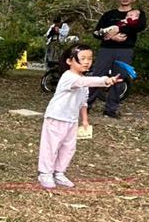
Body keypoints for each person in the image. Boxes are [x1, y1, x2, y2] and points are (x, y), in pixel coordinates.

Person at [38, 44, 121, 189]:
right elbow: (83, 82)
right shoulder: (68, 77)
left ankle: (59, 173)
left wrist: (85, 120)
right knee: (51, 146)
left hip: (71, 120)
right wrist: (105, 80)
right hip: (56, 117)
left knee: (69, 148)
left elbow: (83, 102)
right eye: (82, 58)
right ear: (70, 61)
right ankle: (45, 174)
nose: (87, 62)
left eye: (90, 58)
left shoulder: (83, 80)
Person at [88, 0, 146, 119]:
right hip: (106, 49)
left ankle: (111, 109)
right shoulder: (109, 15)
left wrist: (120, 30)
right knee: (97, 76)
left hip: (125, 50)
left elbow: (139, 27)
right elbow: (96, 32)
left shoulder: (138, 14)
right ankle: (86, 105)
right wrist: (112, 37)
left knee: (119, 78)